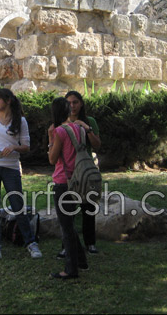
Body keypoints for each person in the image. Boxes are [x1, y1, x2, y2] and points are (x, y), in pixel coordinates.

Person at [0, 88, 42, 260]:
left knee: (17, 204)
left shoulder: (20, 121)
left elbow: (26, 146)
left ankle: (30, 242)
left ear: (8, 101)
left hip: (11, 167)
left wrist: (14, 147)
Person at [57, 91, 101, 259]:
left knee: (88, 207)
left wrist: (87, 128)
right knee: (68, 211)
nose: (72, 106)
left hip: (85, 169)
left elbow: (97, 145)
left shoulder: (89, 121)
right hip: (68, 172)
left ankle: (90, 242)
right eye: (69, 103)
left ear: (81, 103)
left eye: (75, 102)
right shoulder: (61, 124)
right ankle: (67, 245)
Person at [47, 97, 88, 279]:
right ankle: (81, 260)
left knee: (66, 227)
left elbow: (52, 159)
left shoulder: (59, 131)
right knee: (69, 222)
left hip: (63, 181)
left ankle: (70, 270)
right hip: (79, 179)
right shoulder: (79, 128)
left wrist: (50, 138)